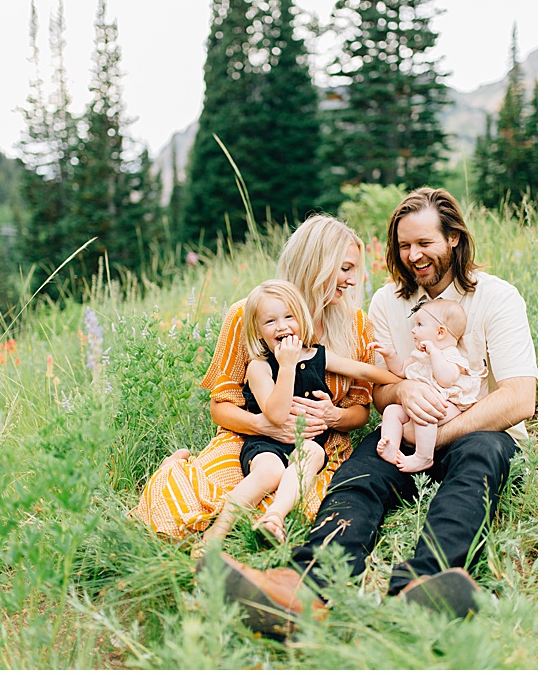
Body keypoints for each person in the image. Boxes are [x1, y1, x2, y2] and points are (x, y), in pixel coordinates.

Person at [209, 189, 536, 630]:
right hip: (404, 429)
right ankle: (304, 587)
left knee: (479, 462)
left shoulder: (497, 297)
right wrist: (402, 394)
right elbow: (379, 391)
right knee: (357, 480)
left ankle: (425, 584)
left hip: (479, 430)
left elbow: (520, 397)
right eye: (404, 246)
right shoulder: (387, 302)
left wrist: (437, 438)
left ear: (454, 239)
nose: (414, 255)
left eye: (425, 243)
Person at [131, 215, 379, 539]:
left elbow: (361, 410)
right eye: (345, 268)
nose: (352, 280)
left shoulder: (357, 326)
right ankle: (177, 476)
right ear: (316, 263)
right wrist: (265, 424)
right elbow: (220, 407)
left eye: (355, 270)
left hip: (317, 446)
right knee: (185, 508)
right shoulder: (249, 314)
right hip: (250, 440)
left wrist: (335, 416)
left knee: (300, 506)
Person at [199, 279, 399, 546]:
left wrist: (400, 379)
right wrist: (287, 366)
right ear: (258, 332)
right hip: (266, 443)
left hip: (308, 442)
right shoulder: (259, 368)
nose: (281, 326)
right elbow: (277, 415)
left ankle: (274, 517)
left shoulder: (319, 355)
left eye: (289, 317)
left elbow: (362, 371)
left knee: (315, 454)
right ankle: (217, 532)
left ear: (301, 319)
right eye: (270, 322)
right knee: (269, 472)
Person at [377, 298, 482, 472]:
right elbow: (401, 369)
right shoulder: (420, 354)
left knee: (425, 413)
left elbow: (446, 379)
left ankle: (423, 457)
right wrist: (389, 355)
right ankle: (391, 447)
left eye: (419, 325)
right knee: (392, 411)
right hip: (422, 404)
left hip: (448, 407)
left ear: (440, 333)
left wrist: (434, 353)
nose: (413, 330)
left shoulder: (450, 355)